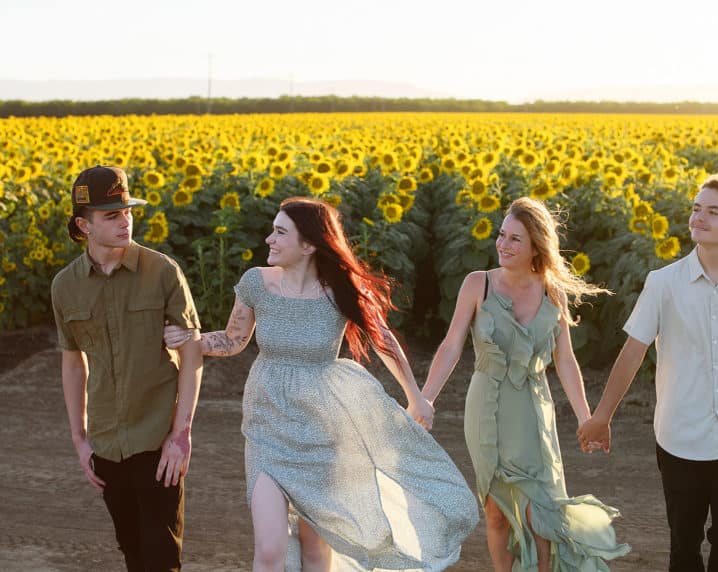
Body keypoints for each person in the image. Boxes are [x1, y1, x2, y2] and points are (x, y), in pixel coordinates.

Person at [164, 196, 478, 572]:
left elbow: (384, 342)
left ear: (309, 245)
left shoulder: (339, 292)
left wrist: (416, 398)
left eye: (280, 232)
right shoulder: (255, 284)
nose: (268, 239)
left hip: (322, 432)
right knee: (269, 549)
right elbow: (233, 340)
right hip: (268, 425)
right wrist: (190, 340)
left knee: (316, 551)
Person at [577, 174, 718, 571]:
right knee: (685, 545)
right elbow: (633, 351)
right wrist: (602, 415)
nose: (699, 217)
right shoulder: (663, 283)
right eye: (696, 208)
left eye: (713, 211)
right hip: (680, 436)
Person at [421, 196, 630, 572]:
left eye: (515, 239)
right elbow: (451, 346)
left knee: (542, 512)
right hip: (486, 407)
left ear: (536, 245)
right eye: (501, 235)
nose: (503, 244)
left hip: (533, 409)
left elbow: (565, 360)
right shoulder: (477, 284)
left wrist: (587, 418)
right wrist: (425, 400)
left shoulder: (553, 292)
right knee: (496, 510)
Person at [51, 165, 203, 572]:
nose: (125, 221)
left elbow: (192, 355)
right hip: (105, 442)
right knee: (132, 551)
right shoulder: (65, 287)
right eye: (112, 215)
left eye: (128, 211)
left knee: (161, 559)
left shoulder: (163, 271)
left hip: (158, 443)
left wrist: (181, 435)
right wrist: (80, 439)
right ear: (84, 224)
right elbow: (72, 362)